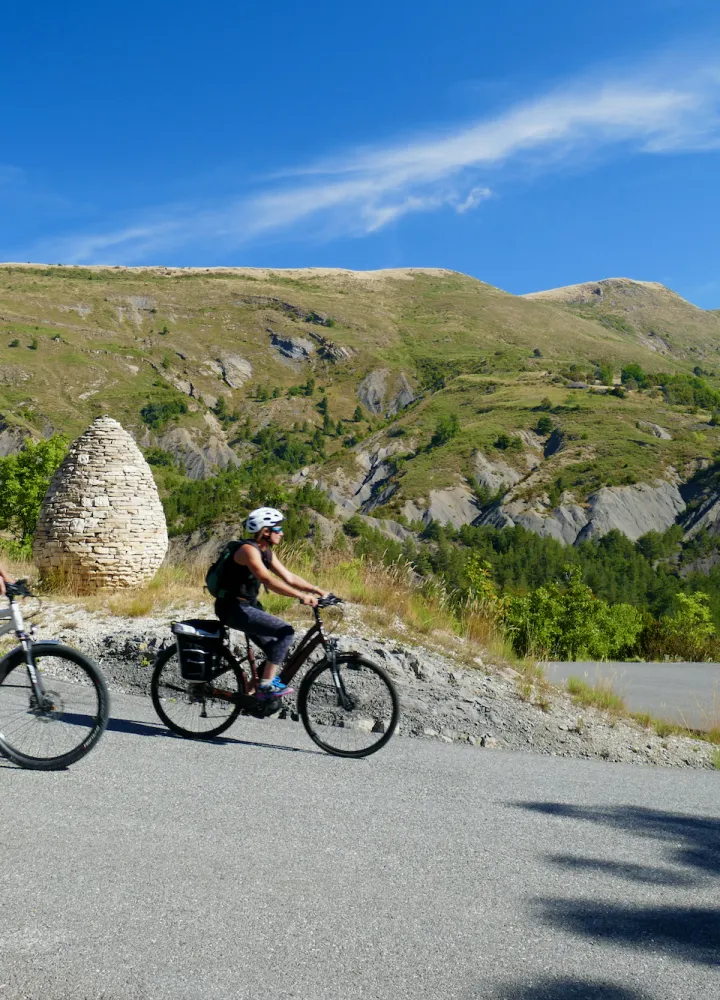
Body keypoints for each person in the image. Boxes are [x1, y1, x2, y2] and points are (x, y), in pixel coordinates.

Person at [214, 507, 328, 700]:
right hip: (233, 608)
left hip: (248, 607)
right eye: (278, 529)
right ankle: (266, 685)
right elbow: (266, 579)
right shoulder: (248, 550)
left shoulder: (266, 552)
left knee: (274, 649)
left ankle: (250, 694)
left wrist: (318, 590)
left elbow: (289, 577)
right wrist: (300, 597)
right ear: (265, 531)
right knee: (285, 632)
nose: (282, 533)